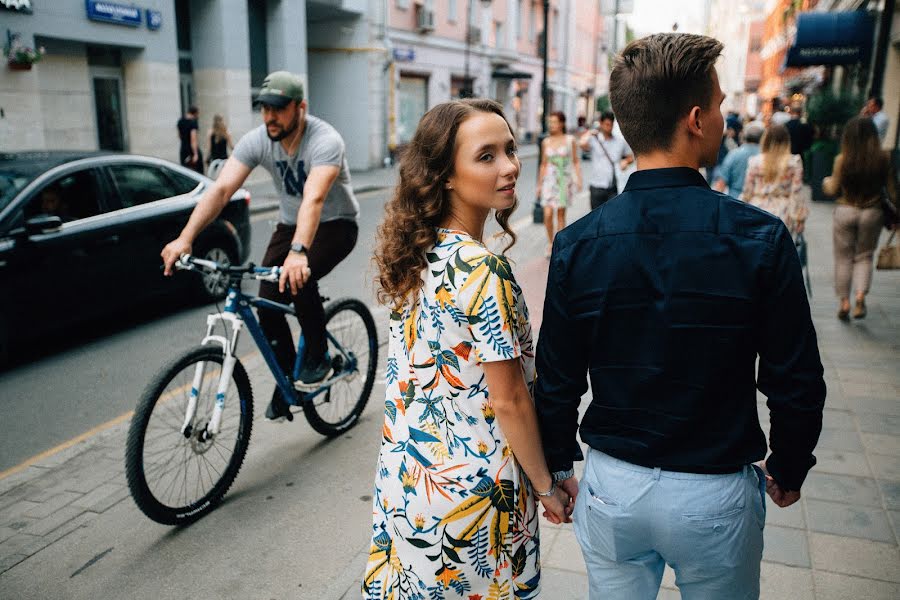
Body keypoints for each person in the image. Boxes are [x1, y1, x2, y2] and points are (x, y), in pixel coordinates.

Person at [535, 33, 825, 600]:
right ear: (696, 119)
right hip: (714, 489)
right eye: (718, 105)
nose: (723, 117)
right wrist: (789, 464)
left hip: (614, 484)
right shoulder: (761, 239)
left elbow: (557, 379)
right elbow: (796, 378)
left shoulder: (577, 243)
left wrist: (556, 465)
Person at [364, 99, 570, 599]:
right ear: (446, 176)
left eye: (510, 150)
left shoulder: (414, 255)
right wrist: (547, 485)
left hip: (408, 485)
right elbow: (510, 399)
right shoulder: (483, 271)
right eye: (487, 156)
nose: (510, 166)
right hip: (477, 501)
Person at [161, 71, 360, 421]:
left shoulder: (325, 140)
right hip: (289, 223)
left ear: (301, 108)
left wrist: (298, 254)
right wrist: (185, 237)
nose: (270, 117)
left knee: (296, 278)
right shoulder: (258, 140)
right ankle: (288, 381)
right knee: (268, 304)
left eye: (279, 109)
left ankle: (319, 356)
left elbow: (313, 199)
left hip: (336, 224)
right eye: (265, 108)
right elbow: (221, 190)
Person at [823, 116, 898, 320]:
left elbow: (833, 188)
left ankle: (844, 302)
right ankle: (859, 297)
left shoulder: (842, 159)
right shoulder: (883, 158)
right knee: (864, 256)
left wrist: (825, 182)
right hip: (872, 212)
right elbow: (892, 191)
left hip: (846, 210)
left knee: (843, 258)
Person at [741, 124, 808, 236]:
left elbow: (747, 191)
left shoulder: (754, 162)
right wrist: (799, 218)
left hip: (757, 210)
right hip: (783, 213)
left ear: (765, 139)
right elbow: (796, 193)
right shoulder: (794, 162)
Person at [539, 111, 582, 257]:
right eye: (550, 122)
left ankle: (559, 244)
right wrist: (539, 185)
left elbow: (575, 161)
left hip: (564, 181)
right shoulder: (546, 141)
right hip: (549, 181)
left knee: (561, 215)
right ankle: (550, 242)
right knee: (548, 213)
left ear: (562, 123)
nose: (552, 125)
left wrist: (579, 179)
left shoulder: (570, 140)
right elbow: (543, 164)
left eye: (554, 122)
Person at [579, 111, 634, 210]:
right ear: (601, 123)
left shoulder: (619, 142)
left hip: (612, 186)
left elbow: (630, 157)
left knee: (611, 216)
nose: (609, 127)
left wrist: (625, 162)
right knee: (596, 218)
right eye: (606, 124)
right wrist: (589, 132)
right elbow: (582, 144)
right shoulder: (594, 140)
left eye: (611, 125)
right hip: (597, 185)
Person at [713, 121, 763, 197]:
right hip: (757, 203)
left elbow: (721, 183)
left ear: (745, 136)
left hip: (735, 201)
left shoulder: (734, 154)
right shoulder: (765, 157)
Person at [177, 105, 203, 174]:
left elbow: (179, 135)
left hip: (183, 149)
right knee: (197, 172)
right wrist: (195, 154)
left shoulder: (180, 121)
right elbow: (193, 139)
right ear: (195, 113)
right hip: (191, 151)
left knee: (185, 171)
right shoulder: (193, 123)